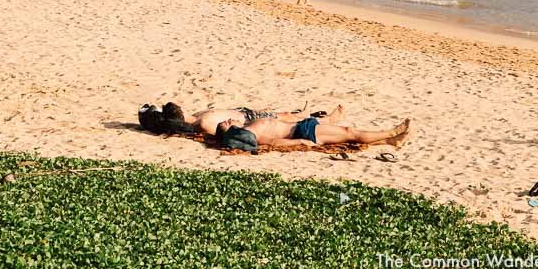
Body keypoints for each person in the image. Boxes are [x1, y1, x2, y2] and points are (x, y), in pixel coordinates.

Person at [217, 112, 410, 152]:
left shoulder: (248, 125)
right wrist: (302, 142)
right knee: (349, 132)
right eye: (225, 124)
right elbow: (274, 143)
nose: (227, 120)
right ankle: (392, 132)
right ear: (228, 132)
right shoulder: (251, 132)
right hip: (304, 132)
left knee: (348, 136)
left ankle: (390, 142)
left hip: (303, 124)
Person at [138, 101, 342, 137]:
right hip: (248, 119)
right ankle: (327, 121)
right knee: (289, 120)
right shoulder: (202, 123)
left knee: (289, 116)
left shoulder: (196, 117)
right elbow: (226, 128)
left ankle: (314, 117)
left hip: (245, 113)